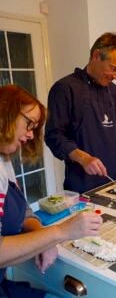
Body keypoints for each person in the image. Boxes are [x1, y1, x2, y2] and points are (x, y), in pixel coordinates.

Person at [0, 85, 102, 297]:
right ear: (5, 111)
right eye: (29, 124)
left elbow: (24, 211)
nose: (30, 135)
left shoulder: (4, 160)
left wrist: (42, 236)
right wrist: (60, 232)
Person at [45, 32, 116, 194]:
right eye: (113, 69)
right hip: (81, 184)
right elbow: (53, 135)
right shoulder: (65, 88)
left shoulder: (114, 92)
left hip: (114, 181)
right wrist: (83, 158)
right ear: (96, 56)